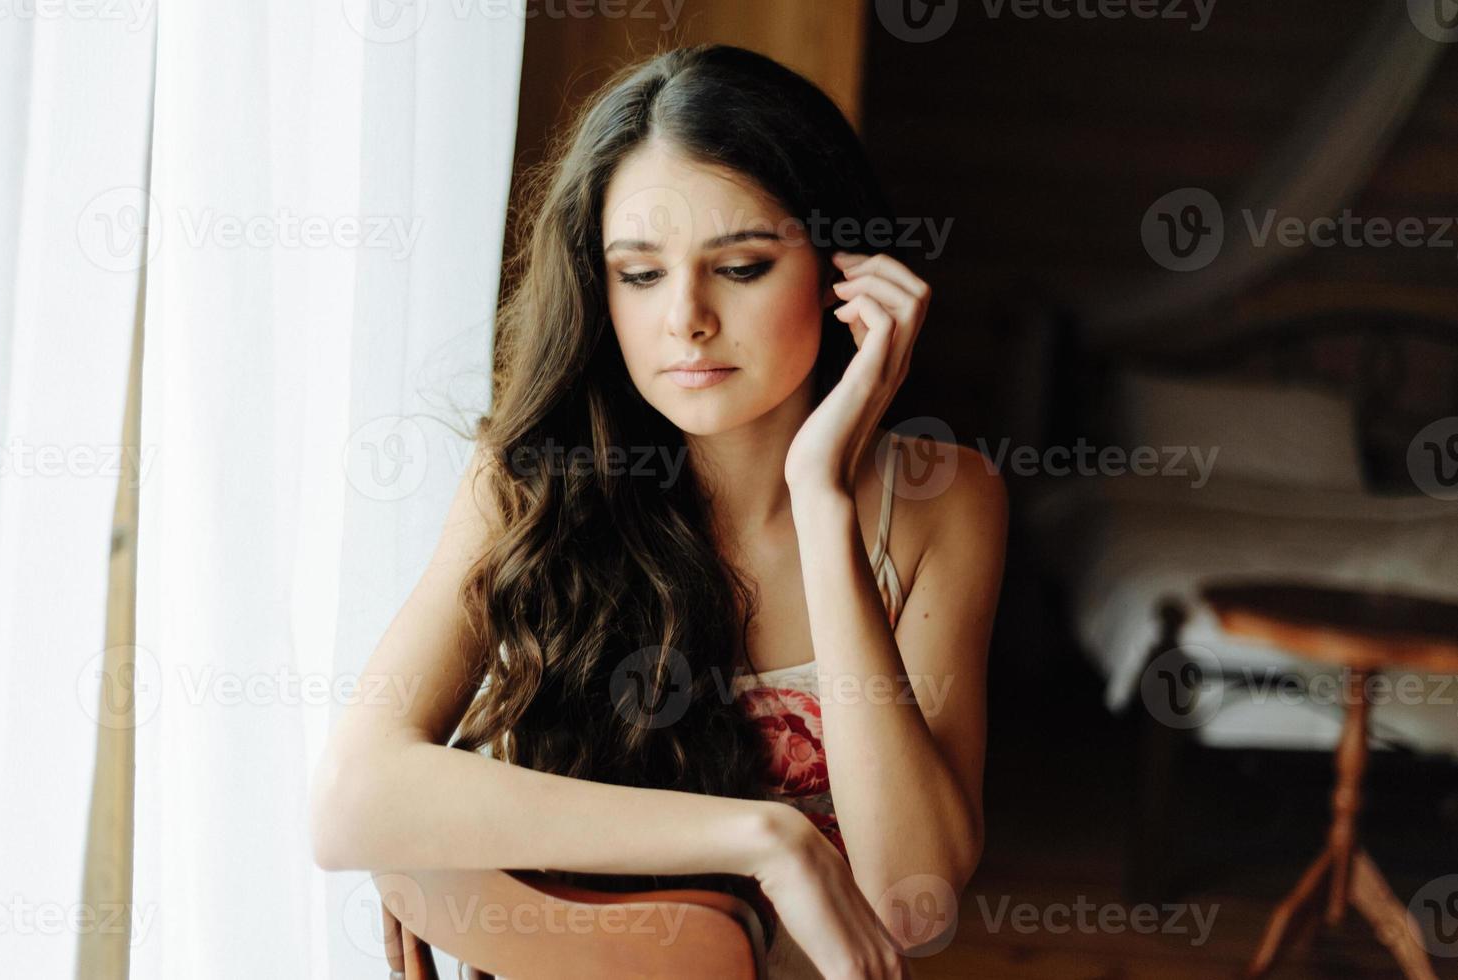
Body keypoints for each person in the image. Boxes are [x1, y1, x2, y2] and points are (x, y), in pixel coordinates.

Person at [310, 43, 1007, 980]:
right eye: (639, 275)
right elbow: (349, 801)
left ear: (848, 269)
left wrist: (821, 495)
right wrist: (769, 840)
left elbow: (907, 902)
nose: (685, 317)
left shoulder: (941, 501)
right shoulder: (528, 478)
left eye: (743, 266)